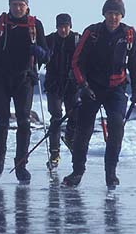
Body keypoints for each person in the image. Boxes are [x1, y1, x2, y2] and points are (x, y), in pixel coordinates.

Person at [62, 0, 136, 187]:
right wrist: (83, 86)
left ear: (121, 16)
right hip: (92, 88)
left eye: (117, 14)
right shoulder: (92, 33)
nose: (113, 17)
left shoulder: (129, 34)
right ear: (104, 14)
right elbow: (76, 62)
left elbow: (135, 63)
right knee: (84, 130)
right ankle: (77, 171)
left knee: (116, 126)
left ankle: (111, 173)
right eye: (110, 13)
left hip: (116, 88)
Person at [0, 0, 49, 183]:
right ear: (9, 5)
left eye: (21, 5)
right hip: (0, 78)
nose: (18, 8)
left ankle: (20, 164)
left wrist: (41, 53)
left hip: (24, 79)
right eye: (14, 5)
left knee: (24, 122)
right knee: (2, 121)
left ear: (27, 6)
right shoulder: (1, 23)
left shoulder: (35, 25)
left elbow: (47, 54)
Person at [44, 13, 80, 169]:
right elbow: (38, 55)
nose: (63, 30)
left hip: (72, 85)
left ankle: (70, 137)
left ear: (70, 26)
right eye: (60, 27)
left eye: (66, 26)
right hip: (54, 85)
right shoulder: (50, 40)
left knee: (75, 114)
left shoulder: (77, 40)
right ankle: (54, 153)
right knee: (56, 116)